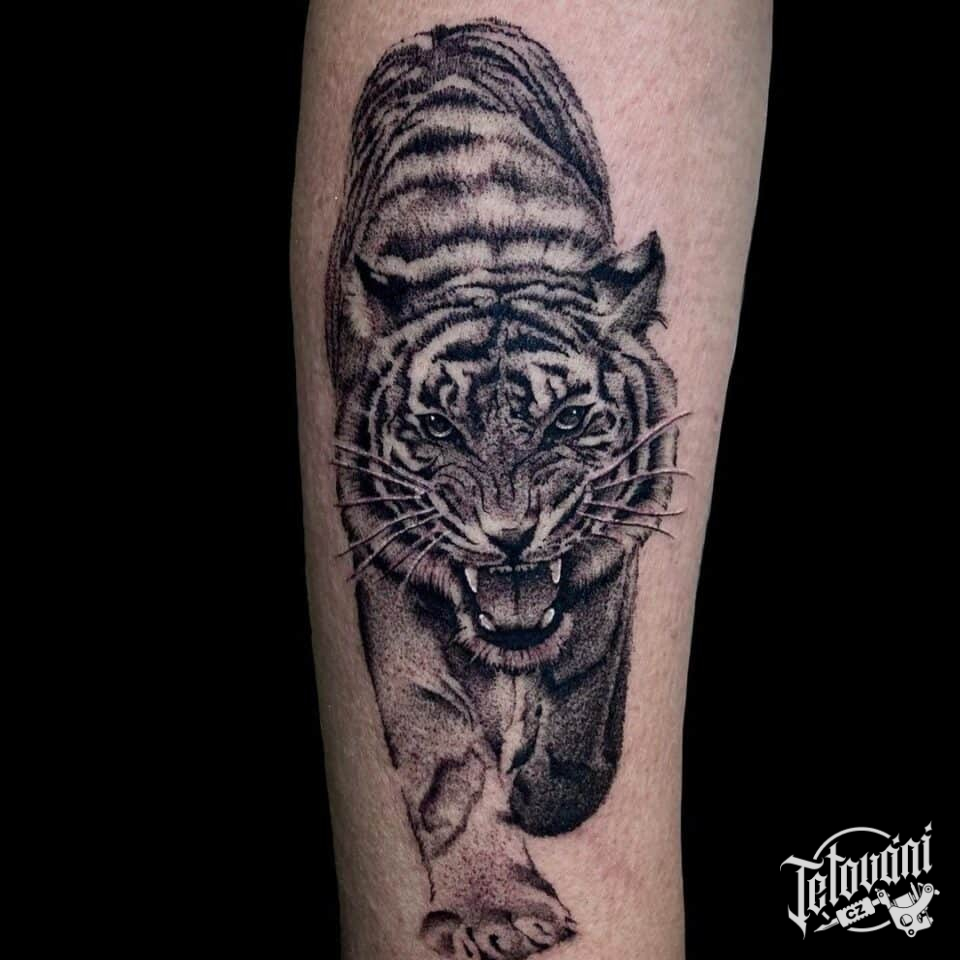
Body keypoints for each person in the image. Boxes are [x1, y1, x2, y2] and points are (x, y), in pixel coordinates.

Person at [290, 4, 771, 957]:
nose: (508, 512)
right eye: (443, 425)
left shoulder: (612, 345)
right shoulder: (380, 335)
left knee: (569, 781)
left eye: (567, 419)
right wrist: (479, 874)